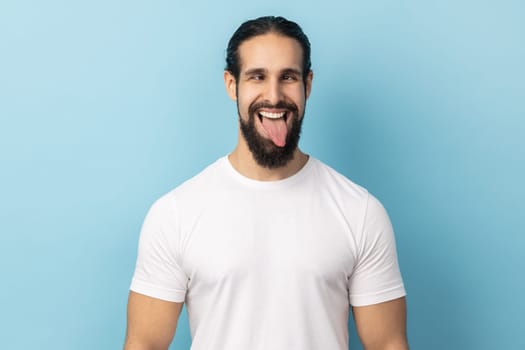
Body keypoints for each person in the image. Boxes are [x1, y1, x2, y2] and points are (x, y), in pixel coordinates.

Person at [124, 16, 408, 350]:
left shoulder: (360, 212)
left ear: (308, 85)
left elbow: (388, 344)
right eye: (257, 77)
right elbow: (144, 343)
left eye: (287, 77)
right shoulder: (175, 214)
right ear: (232, 85)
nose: (273, 96)